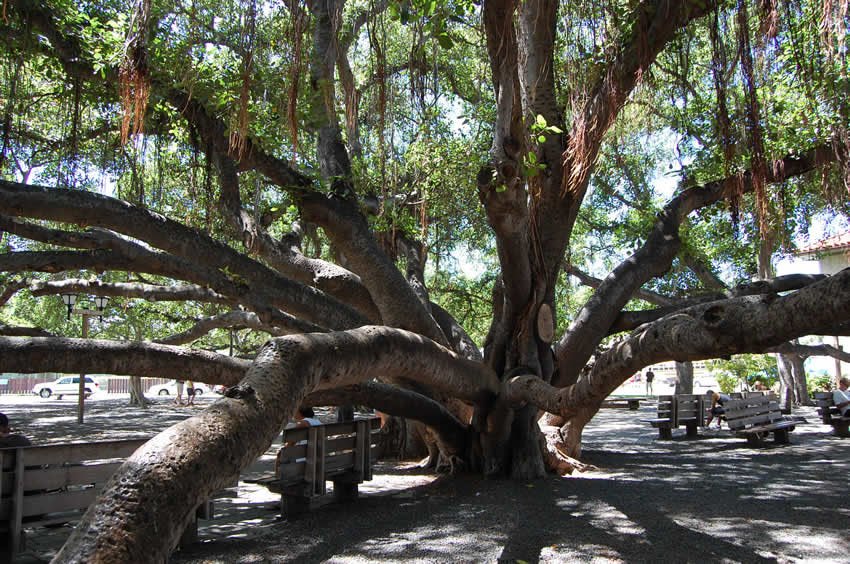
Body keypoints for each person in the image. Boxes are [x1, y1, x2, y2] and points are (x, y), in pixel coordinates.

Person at [276, 407, 322, 474]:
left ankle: (278, 478)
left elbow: (291, 443)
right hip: (318, 460)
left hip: (304, 462)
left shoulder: (302, 423)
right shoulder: (318, 422)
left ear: (300, 413)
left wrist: (281, 452)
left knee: (280, 454)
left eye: (295, 410)